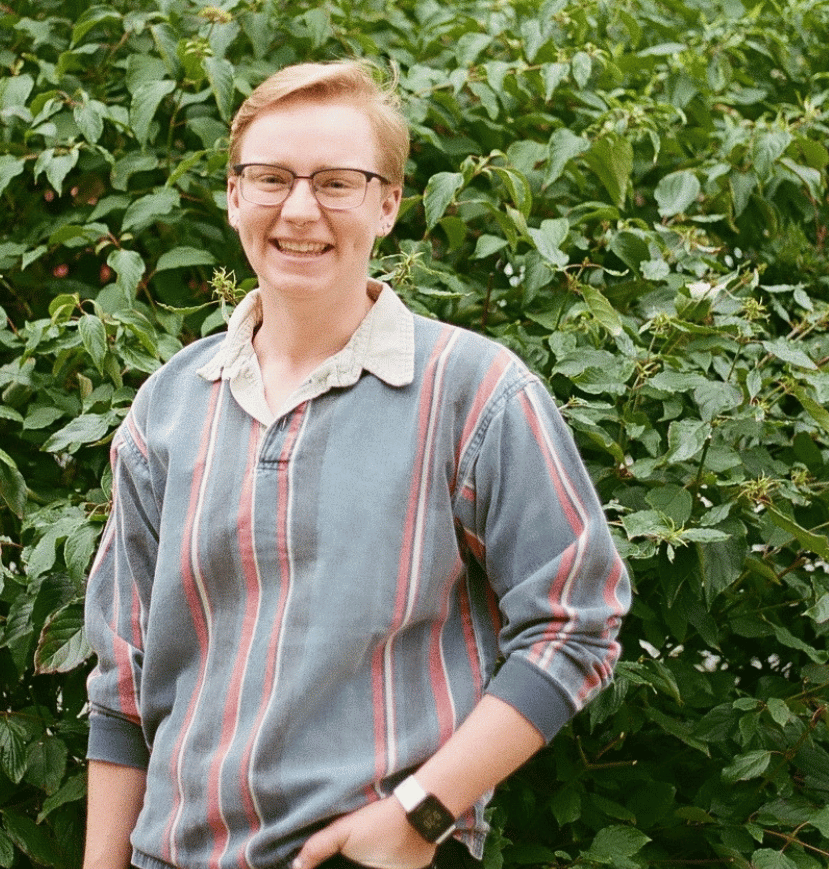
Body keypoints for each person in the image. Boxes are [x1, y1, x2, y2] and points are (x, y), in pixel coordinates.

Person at [82, 60, 630, 869]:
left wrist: (418, 815)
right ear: (234, 196)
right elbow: (122, 685)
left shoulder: (472, 393)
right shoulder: (169, 406)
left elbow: (574, 624)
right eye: (270, 178)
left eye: (338, 182)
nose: (300, 209)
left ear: (388, 203)